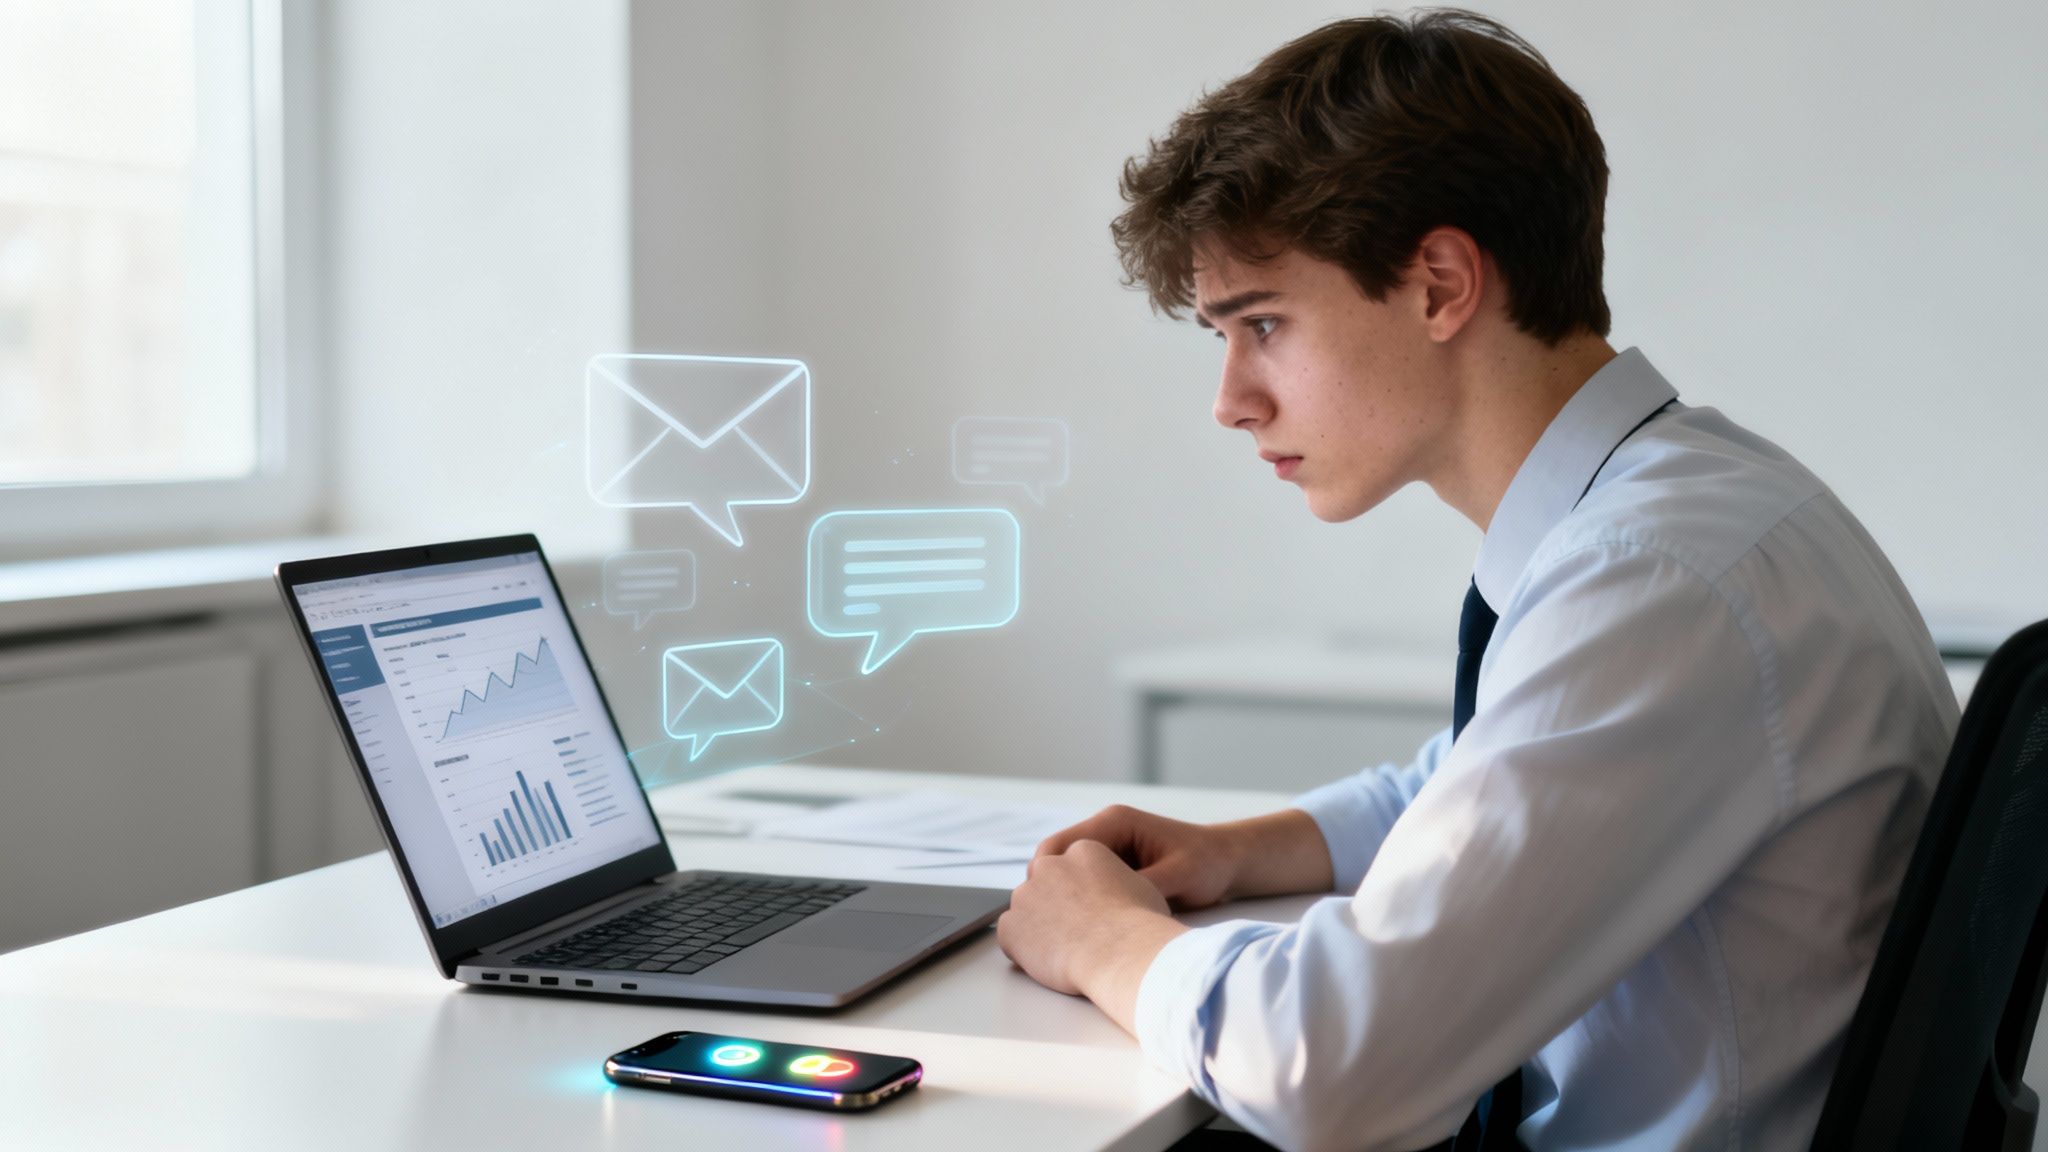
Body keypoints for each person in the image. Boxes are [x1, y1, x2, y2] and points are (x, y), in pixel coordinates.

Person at [992, 10, 1958, 1151]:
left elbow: (1334, 1069)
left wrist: (1101, 940)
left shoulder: (1655, 579)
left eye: (1261, 324)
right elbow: (1483, 777)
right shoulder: (1677, 504)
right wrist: (1243, 849)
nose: (1231, 399)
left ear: (1441, 284)